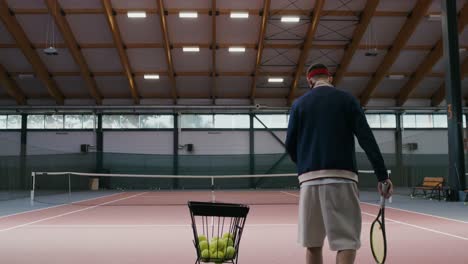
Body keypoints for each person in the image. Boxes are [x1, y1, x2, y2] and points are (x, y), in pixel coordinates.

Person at [285, 63, 393, 264]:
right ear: (330, 78)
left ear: (309, 80)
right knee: (346, 243)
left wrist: (305, 165)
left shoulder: (299, 105)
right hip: (342, 180)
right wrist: (382, 176)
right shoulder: (347, 100)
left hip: (309, 182)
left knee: (313, 244)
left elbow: (290, 144)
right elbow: (367, 139)